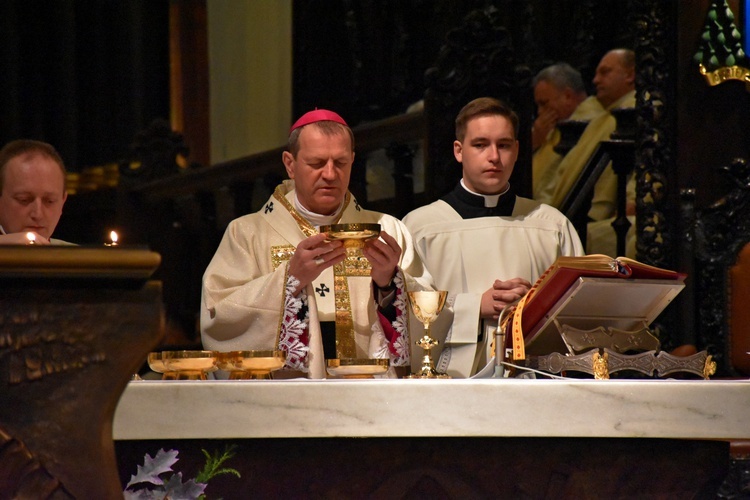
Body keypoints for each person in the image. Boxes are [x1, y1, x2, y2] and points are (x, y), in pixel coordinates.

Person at [201, 109, 431, 379]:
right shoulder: (247, 233)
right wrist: (289, 280)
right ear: (290, 163)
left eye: (341, 163)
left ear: (353, 161)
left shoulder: (387, 229)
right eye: (317, 163)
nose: (330, 174)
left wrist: (389, 284)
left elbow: (430, 315)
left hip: (369, 397)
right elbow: (219, 318)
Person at [402, 97, 585, 378]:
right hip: (451, 385)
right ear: (459, 151)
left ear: (517, 150)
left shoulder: (551, 224)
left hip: (537, 380)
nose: (494, 157)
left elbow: (579, 313)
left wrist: (534, 309)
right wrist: (477, 306)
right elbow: (403, 318)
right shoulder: (421, 227)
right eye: (480, 144)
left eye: (504, 145)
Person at [540, 49, 637, 256]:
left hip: (596, 216)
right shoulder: (602, 117)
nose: (595, 80)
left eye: (605, 72)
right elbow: (566, 170)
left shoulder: (635, 110)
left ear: (630, 75)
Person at [531, 63, 604, 201]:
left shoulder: (589, 122)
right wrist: (533, 142)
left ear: (568, 96)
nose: (540, 112)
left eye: (544, 103)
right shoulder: (551, 125)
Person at [0, 139, 70, 245]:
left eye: (49, 201)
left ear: (63, 201)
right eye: (24, 200)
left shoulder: (80, 258)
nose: (38, 214)